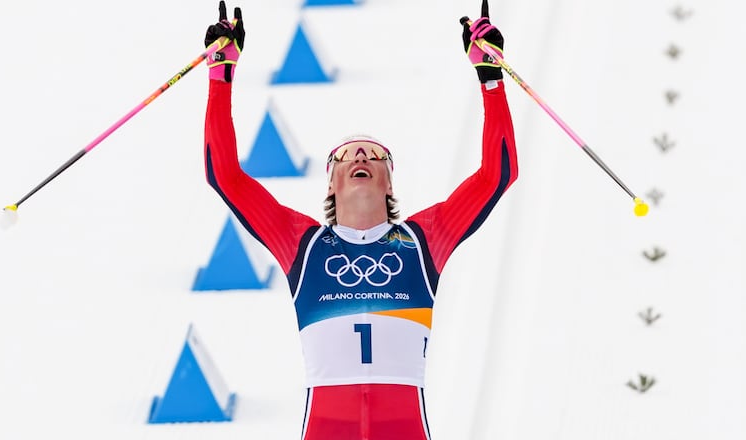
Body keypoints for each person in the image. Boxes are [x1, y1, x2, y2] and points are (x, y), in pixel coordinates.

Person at [202, 1, 517, 438]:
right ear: (329, 183)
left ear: (390, 183)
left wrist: (491, 78)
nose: (361, 156)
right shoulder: (303, 245)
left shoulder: (424, 240)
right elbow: (225, 175)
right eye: (346, 156)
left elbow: (498, 174)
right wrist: (221, 74)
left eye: (374, 154)